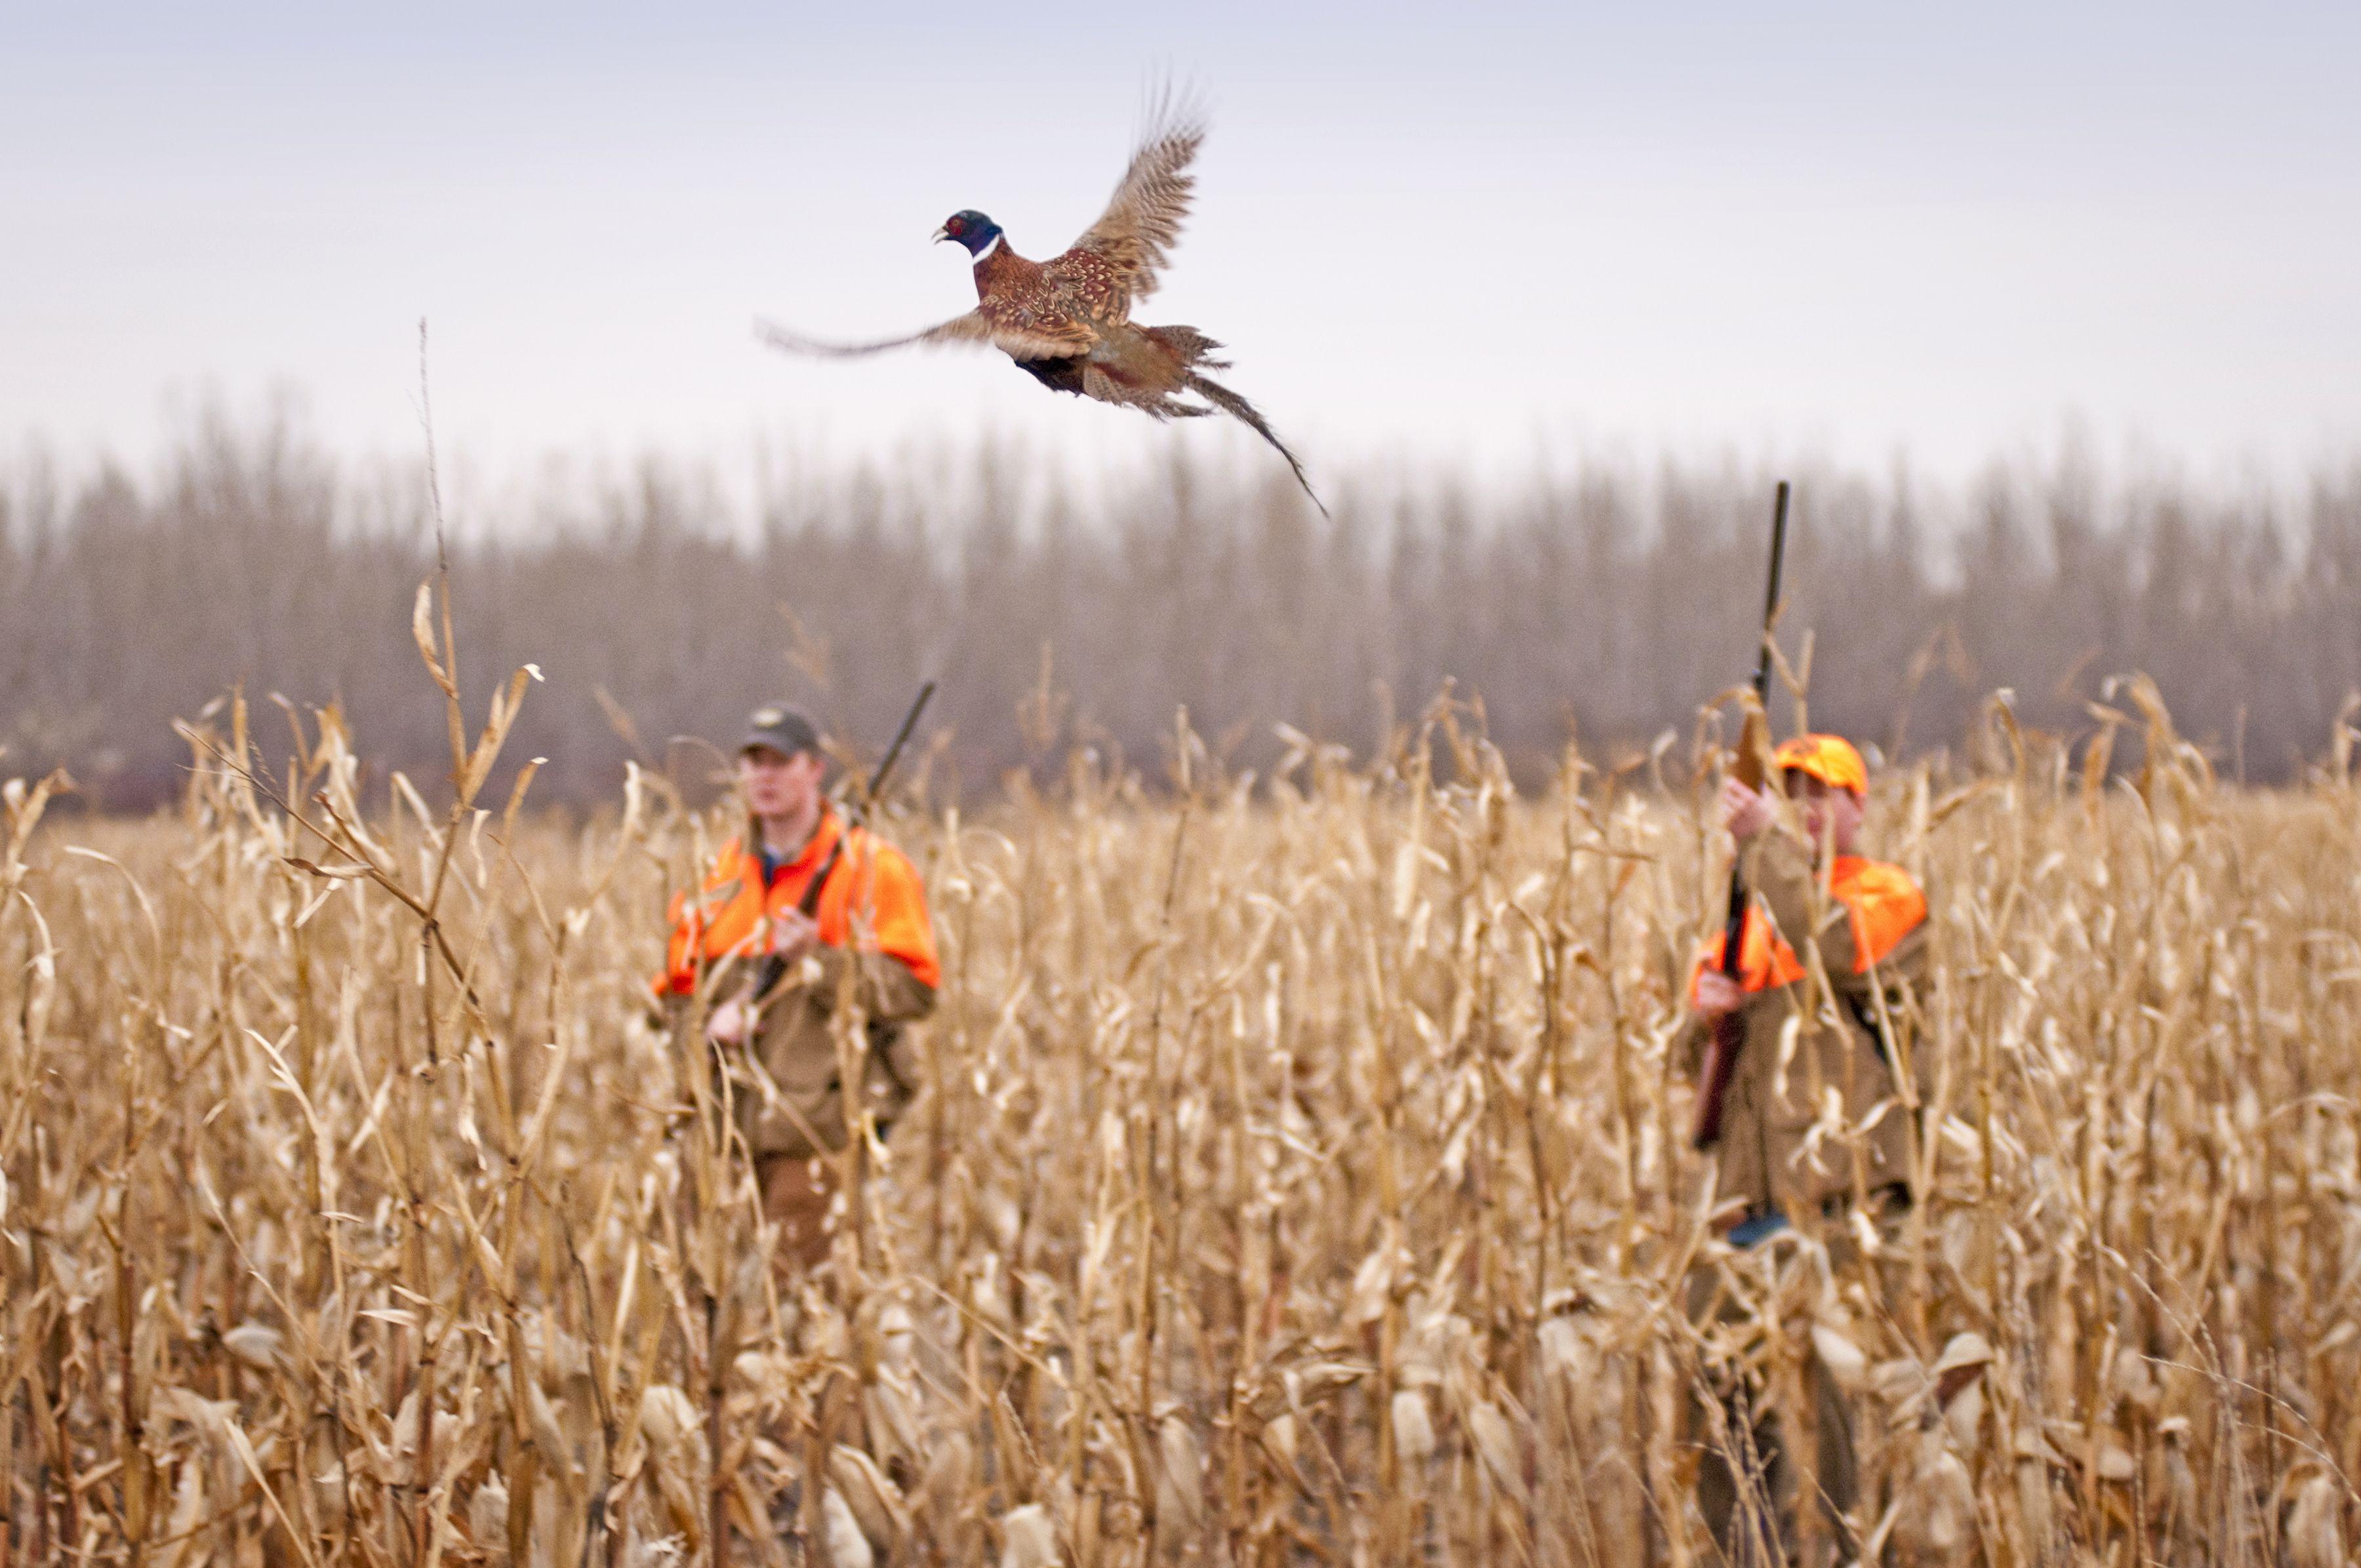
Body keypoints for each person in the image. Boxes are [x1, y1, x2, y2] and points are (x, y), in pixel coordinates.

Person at [1678, 732, 1931, 1562]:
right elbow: (1696, 1065)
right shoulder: (1754, 913)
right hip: (1748, 1215)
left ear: (1861, 807)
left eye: (1825, 793)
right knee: (1718, 1411)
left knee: (1839, 1431)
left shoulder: (1888, 900)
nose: (1811, 809)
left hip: (1841, 1218)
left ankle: (1854, 1554)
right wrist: (1706, 1011)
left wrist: (1761, 844)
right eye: (1793, 795)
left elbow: (1831, 949)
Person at [656, 704, 940, 1276]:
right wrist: (712, 1021)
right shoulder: (715, 877)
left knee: (805, 1306)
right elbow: (674, 997)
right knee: (697, 1289)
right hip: (721, 1128)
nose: (765, 776)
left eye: (780, 761)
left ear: (814, 769)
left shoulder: (872, 869)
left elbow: (914, 993)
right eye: (754, 761)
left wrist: (822, 959)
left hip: (818, 1132)